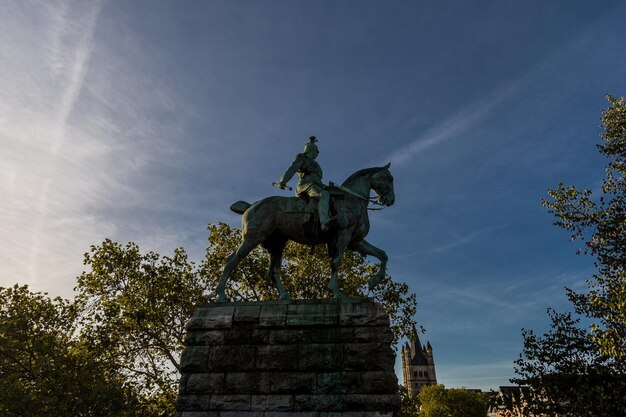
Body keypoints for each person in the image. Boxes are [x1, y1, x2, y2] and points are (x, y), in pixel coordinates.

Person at [277, 136, 335, 231]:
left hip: (316, 186)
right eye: (317, 150)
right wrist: (283, 181)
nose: (317, 153)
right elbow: (292, 169)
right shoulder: (302, 158)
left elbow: (317, 180)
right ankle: (324, 221)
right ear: (311, 150)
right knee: (324, 194)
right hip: (305, 186)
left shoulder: (316, 165)